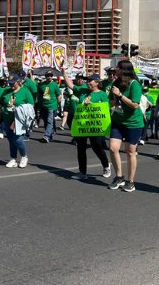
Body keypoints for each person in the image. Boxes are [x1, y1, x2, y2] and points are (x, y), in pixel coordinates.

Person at [62, 70, 111, 180]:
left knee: (97, 147)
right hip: (82, 125)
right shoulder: (83, 91)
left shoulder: (102, 94)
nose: (87, 82)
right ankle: (82, 172)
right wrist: (64, 73)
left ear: (97, 82)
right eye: (87, 80)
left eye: (90, 80)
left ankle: (106, 165)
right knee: (81, 148)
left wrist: (92, 105)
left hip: (95, 126)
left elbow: (105, 110)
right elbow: (70, 85)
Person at [107, 60, 144, 192]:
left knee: (130, 151)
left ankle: (131, 181)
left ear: (124, 70)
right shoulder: (115, 83)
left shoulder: (135, 84)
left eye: (117, 68)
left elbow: (135, 105)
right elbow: (111, 102)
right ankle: (119, 177)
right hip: (118, 121)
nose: (115, 71)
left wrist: (120, 95)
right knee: (112, 148)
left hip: (133, 123)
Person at [1, 74, 33, 168]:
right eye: (10, 84)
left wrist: (18, 105)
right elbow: (2, 102)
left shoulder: (25, 92)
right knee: (11, 140)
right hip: (7, 119)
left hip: (19, 120)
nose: (11, 85)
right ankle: (13, 158)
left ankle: (24, 156)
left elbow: (31, 106)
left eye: (13, 83)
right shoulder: (6, 91)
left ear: (18, 82)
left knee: (18, 140)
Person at [37, 71, 61, 143]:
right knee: (45, 122)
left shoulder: (54, 85)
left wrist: (59, 106)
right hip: (43, 106)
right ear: (45, 76)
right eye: (47, 75)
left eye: (50, 75)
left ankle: (46, 136)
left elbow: (59, 96)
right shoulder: (41, 85)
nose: (49, 77)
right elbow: (39, 95)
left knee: (49, 121)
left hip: (52, 106)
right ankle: (50, 136)